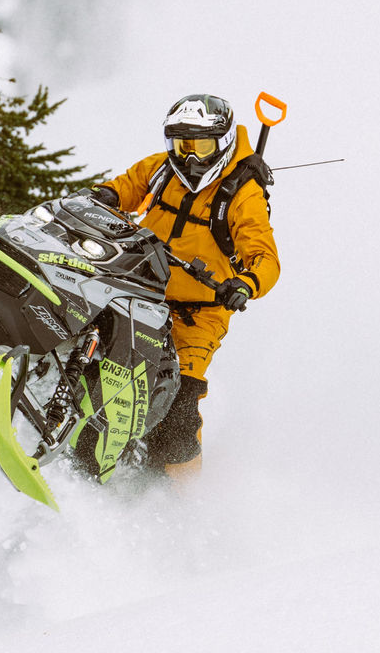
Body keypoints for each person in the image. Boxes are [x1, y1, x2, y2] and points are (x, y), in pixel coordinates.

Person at [88, 93, 281, 478]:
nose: (190, 158)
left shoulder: (242, 195)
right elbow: (129, 184)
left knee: (177, 402)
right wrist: (107, 195)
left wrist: (244, 284)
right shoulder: (162, 170)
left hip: (199, 314)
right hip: (137, 290)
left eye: (201, 146)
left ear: (223, 144)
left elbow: (265, 257)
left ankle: (181, 497)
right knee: (94, 356)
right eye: (182, 145)